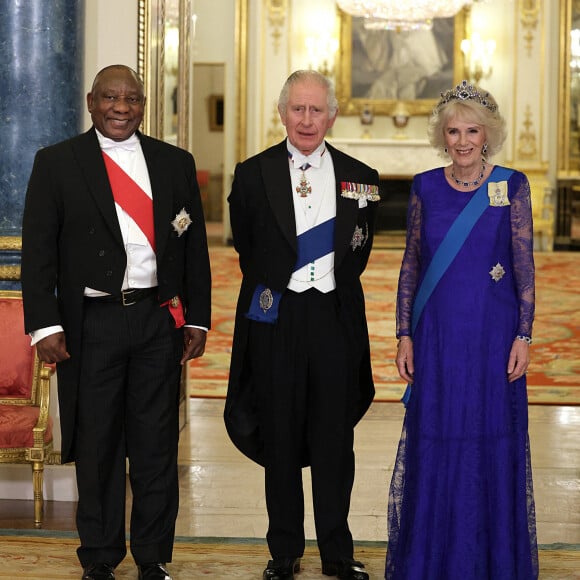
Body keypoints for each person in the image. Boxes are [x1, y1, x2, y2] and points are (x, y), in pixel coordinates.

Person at [21, 65, 211, 580]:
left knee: (155, 447)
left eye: (131, 98)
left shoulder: (175, 164)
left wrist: (197, 318)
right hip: (93, 325)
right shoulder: (57, 163)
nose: (120, 107)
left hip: (157, 321)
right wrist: (44, 326)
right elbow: (37, 254)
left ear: (144, 104)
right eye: (110, 97)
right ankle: (100, 557)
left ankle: (153, 557)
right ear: (90, 101)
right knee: (98, 446)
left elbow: (193, 249)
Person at [224, 70, 380, 580]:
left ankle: (337, 551)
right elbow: (246, 245)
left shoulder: (362, 176)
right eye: (298, 109)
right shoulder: (252, 174)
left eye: (316, 110)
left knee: (335, 440)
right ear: (282, 112)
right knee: (282, 437)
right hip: (278, 319)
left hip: (334, 320)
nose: (307, 119)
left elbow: (359, 248)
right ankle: (284, 551)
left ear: (332, 115)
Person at [386, 80, 538, 579]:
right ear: (442, 136)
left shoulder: (512, 185)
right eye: (454, 131)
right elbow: (411, 264)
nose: (464, 140)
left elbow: (524, 268)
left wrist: (523, 336)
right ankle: (432, 559)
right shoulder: (425, 186)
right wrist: (404, 333)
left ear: (488, 133)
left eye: (473, 130)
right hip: (438, 338)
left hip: (493, 340)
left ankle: (490, 561)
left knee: (489, 436)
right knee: (438, 437)